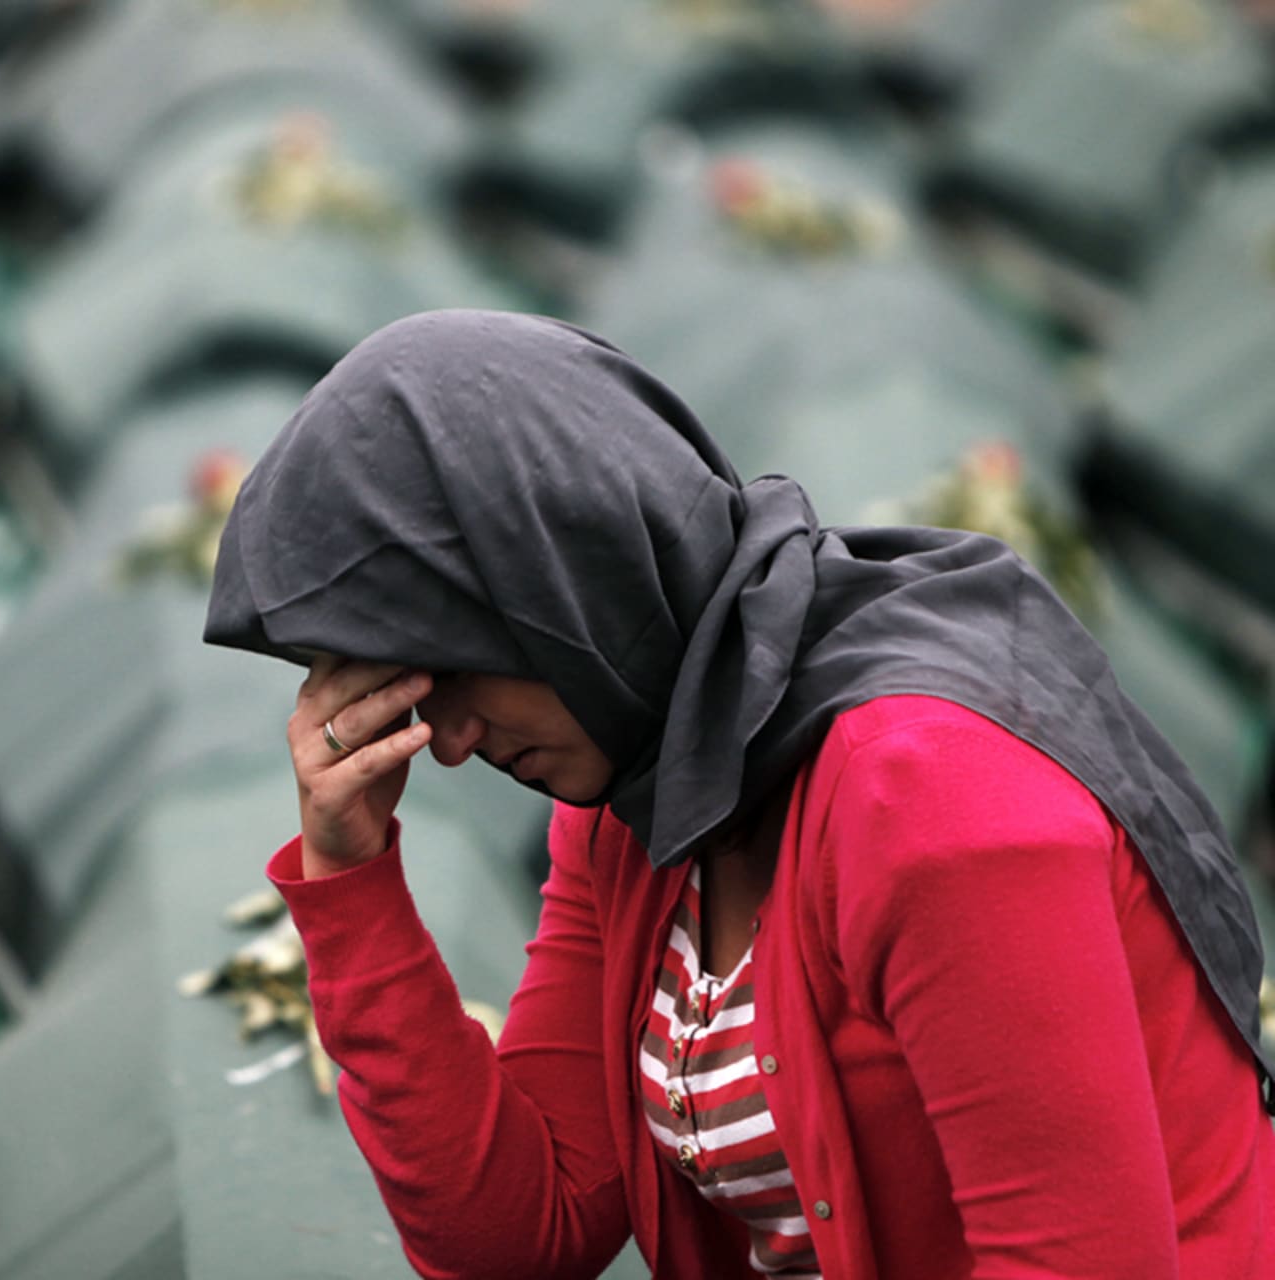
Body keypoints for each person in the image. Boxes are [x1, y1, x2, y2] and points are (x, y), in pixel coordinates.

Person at [203, 309, 1275, 1279]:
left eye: (458, 673)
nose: (447, 743)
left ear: (564, 585)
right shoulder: (638, 803)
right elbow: (521, 1233)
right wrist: (350, 878)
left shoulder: (932, 801)